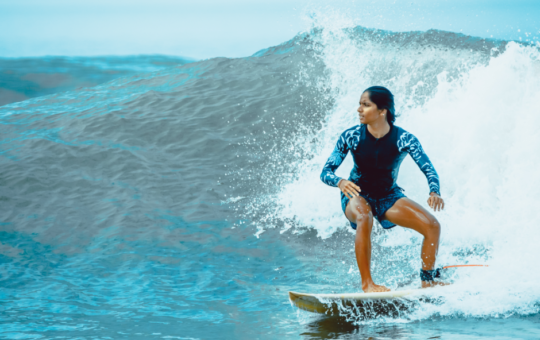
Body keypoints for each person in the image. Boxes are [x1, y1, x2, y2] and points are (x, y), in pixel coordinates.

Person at [320, 86, 445, 293]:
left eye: (365, 105)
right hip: (356, 194)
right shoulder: (351, 136)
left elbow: (428, 168)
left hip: (388, 195)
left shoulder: (404, 139)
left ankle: (427, 280)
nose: (359, 109)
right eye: (360, 104)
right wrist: (340, 182)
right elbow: (326, 172)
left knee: (432, 225)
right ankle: (367, 284)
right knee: (363, 215)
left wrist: (434, 191)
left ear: (382, 111)